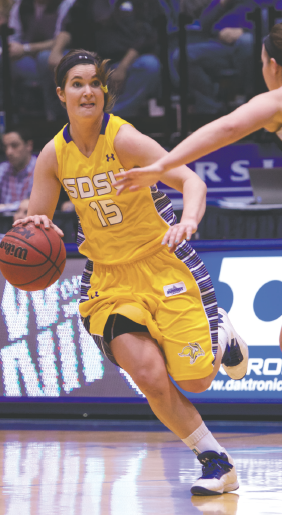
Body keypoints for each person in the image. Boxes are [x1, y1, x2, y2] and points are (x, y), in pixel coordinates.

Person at [13, 49, 248, 495]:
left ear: (105, 92)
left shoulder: (124, 140)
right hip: (109, 279)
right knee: (147, 373)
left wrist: (189, 220)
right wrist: (35, 226)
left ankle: (222, 335)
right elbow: (36, 223)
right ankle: (215, 461)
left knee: (195, 380)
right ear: (61, 94)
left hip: (162, 264)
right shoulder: (52, 155)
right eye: (77, 84)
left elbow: (192, 182)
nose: (88, 91)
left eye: (95, 83)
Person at [114, 22, 282, 346]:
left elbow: (228, 128)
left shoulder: (276, 100)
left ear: (273, 66)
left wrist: (163, 164)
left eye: (262, 63)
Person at [48, 0, 162, 118]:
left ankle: (111, 117)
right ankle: (66, 119)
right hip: (91, 59)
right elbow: (70, 27)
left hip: (128, 61)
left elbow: (146, 36)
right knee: (49, 59)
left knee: (150, 65)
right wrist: (56, 51)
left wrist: (122, 67)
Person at [8, 0, 75, 120]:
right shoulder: (22, 5)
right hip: (27, 59)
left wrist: (26, 49)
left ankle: (54, 116)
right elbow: (13, 37)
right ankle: (8, 117)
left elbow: (61, 38)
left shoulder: (65, 4)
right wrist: (12, 48)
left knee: (44, 58)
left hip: (58, 55)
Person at [0, 126, 36, 211]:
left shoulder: (42, 169)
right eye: (5, 147)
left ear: (29, 145)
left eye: (14, 145)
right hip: (6, 223)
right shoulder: (3, 169)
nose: (8, 152)